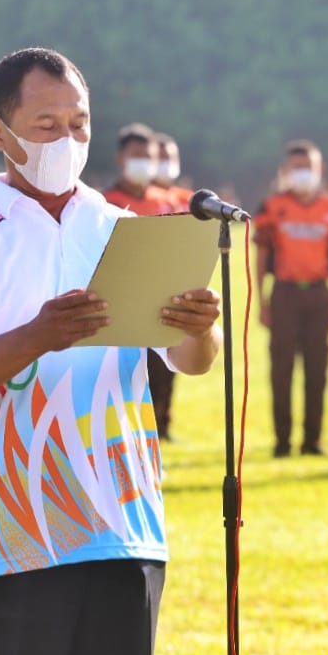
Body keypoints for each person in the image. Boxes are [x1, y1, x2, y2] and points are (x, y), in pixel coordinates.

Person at [0, 47, 220, 655]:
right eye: (46, 124)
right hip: (11, 530)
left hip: (122, 527)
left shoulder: (122, 230)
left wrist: (203, 330)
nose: (67, 140)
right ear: (1, 134)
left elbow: (189, 359)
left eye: (79, 123)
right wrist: (37, 335)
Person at [253, 139, 328, 457]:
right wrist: (263, 301)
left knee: (317, 370)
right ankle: (282, 441)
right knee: (281, 371)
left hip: (319, 294)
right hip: (284, 294)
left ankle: (312, 440)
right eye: (297, 168)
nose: (303, 173)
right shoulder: (272, 207)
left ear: (319, 170)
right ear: (285, 171)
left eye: (309, 167)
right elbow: (262, 254)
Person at [104, 124, 181, 441]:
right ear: (120, 159)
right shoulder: (104, 203)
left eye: (148, 156)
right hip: (120, 302)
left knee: (164, 367)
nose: (144, 163)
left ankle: (161, 427)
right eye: (136, 155)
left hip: (162, 298)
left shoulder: (168, 203)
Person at [152, 131, 192, 211]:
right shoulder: (142, 199)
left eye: (172, 157)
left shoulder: (189, 199)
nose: (167, 161)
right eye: (162, 157)